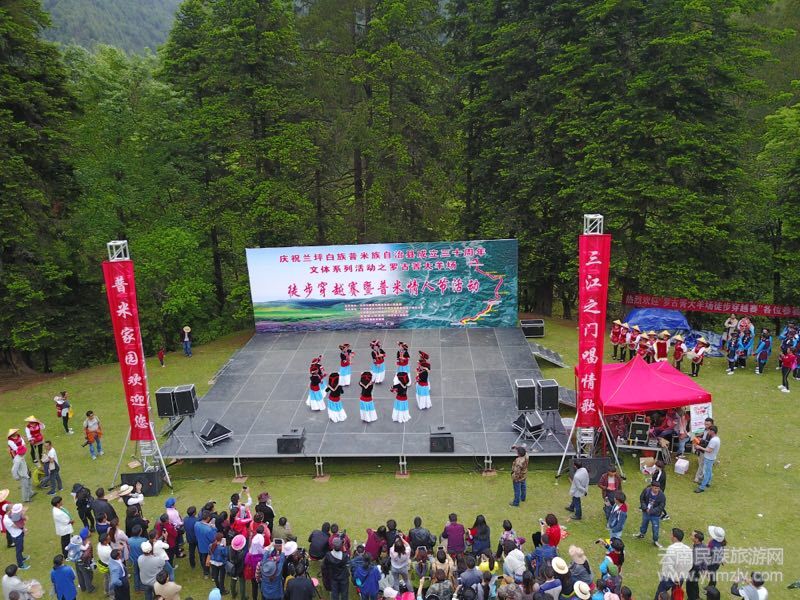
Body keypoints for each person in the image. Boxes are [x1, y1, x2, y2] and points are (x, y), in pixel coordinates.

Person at [634, 480, 666, 548]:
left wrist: (652, 511)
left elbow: (661, 506)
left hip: (655, 515)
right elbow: (642, 499)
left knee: (655, 528)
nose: (656, 490)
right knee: (644, 524)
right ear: (651, 487)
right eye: (655, 488)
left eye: (658, 488)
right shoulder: (646, 491)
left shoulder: (662, 496)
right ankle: (642, 534)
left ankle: (655, 541)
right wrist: (645, 508)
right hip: (646, 512)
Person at [694, 425, 720, 493]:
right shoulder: (717, 438)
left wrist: (699, 447)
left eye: (709, 430)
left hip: (708, 458)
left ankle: (702, 487)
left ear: (712, 431)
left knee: (706, 473)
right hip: (712, 458)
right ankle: (708, 483)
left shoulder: (713, 440)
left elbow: (709, 450)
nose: (708, 432)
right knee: (709, 471)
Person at [3, 504, 28, 569]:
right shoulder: (7, 520)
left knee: (21, 547)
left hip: (19, 534)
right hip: (17, 536)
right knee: (18, 550)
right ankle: (20, 565)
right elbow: (17, 526)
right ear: (9, 510)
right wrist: (24, 528)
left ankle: (22, 558)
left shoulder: (10, 515)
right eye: (13, 509)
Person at [692, 418, 715, 485]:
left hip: (706, 451)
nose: (706, 426)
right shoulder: (705, 430)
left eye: (708, 424)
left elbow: (707, 443)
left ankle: (698, 478)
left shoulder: (711, 433)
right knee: (702, 464)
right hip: (702, 450)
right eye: (705, 424)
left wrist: (700, 443)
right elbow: (704, 439)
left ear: (712, 424)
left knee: (703, 465)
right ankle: (702, 478)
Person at [195, 511, 217, 579]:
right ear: (208, 518)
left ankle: (206, 573)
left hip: (200, 546)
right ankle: (213, 576)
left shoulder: (196, 524)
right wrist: (214, 528)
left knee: (203, 560)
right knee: (212, 561)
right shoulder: (209, 529)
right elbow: (213, 539)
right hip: (208, 548)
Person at [685, 530, 706, 600]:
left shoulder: (697, 550)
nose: (691, 536)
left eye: (692, 535)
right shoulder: (703, 545)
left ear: (697, 539)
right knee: (695, 584)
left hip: (694, 571)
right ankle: (697, 597)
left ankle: (692, 598)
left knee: (690, 587)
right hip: (698, 571)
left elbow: (695, 564)